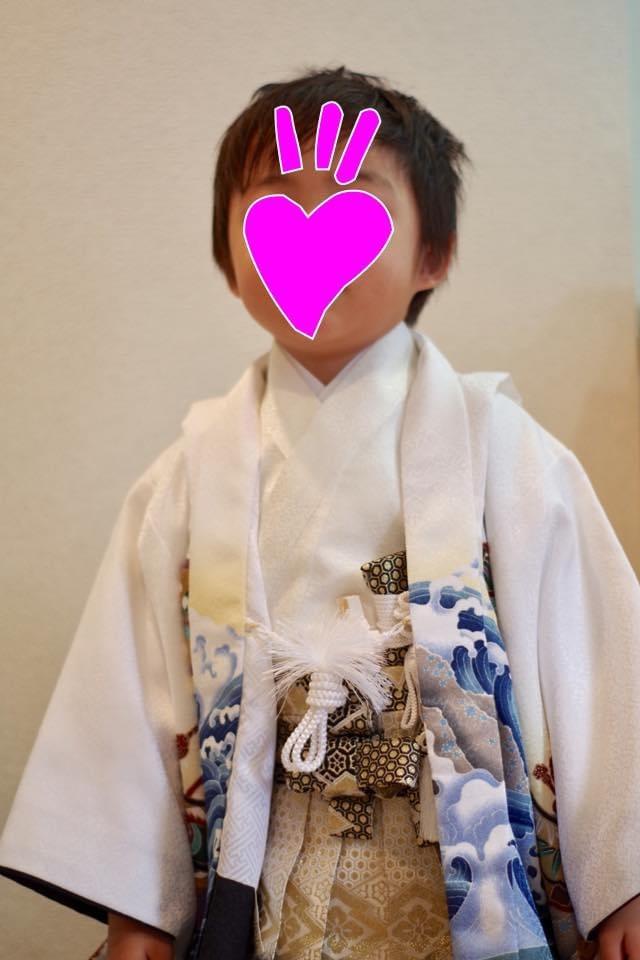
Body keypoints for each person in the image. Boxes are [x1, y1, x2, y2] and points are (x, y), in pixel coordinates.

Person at [1, 65, 639, 960]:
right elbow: (133, 685)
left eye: (354, 200)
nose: (310, 232)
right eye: (274, 205)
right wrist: (137, 902)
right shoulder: (190, 471)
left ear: (433, 255)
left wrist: (624, 876)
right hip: (266, 857)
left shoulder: (501, 445)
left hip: (448, 855)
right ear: (229, 257)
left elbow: (594, 654)